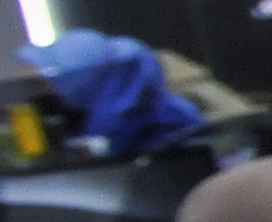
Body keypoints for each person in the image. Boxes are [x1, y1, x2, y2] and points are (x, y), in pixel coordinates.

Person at [25, 28, 205, 155]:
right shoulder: (114, 116)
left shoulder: (145, 129)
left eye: (53, 78)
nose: (47, 86)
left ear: (82, 84)